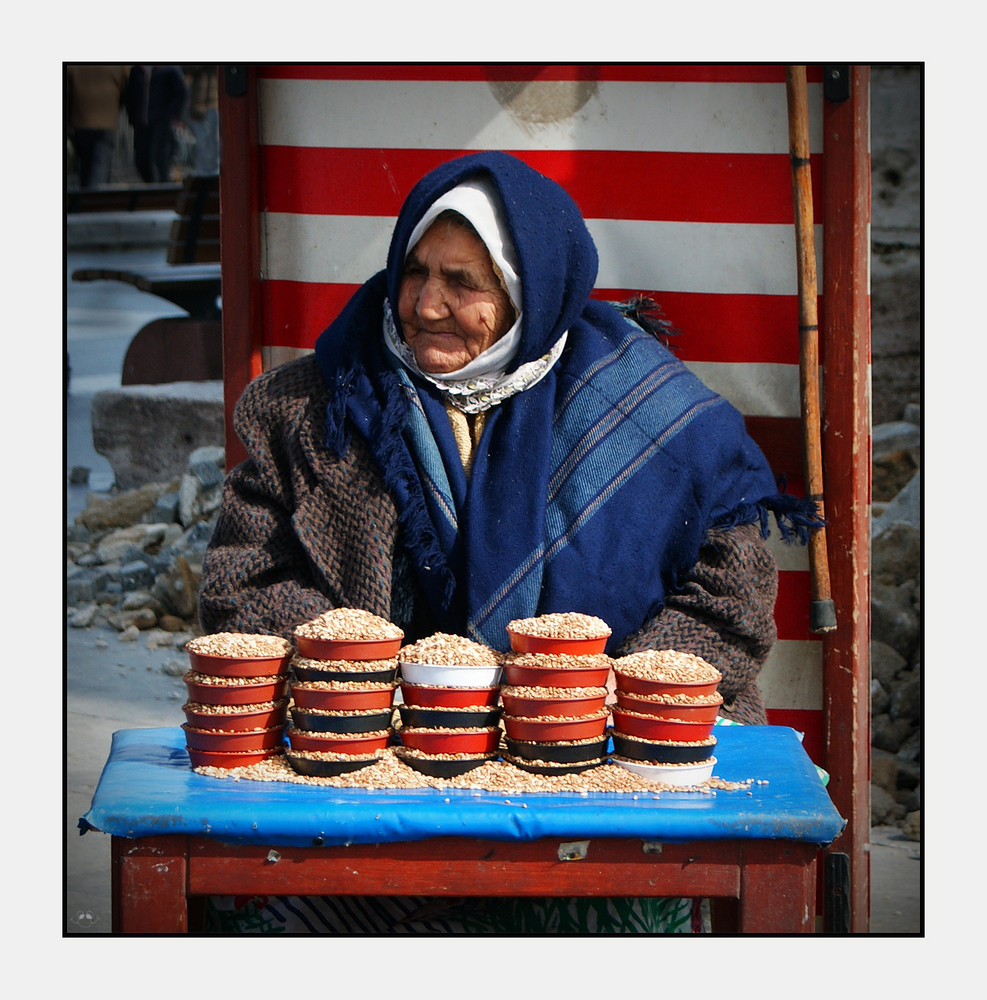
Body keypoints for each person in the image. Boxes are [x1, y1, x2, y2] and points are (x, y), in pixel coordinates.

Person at [198, 151, 821, 933]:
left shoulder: (656, 418)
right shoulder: (312, 408)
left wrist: (578, 706)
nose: (425, 304)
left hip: (599, 775)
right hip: (372, 769)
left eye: (465, 282)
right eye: (415, 271)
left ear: (530, 292)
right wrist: (392, 689)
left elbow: (727, 608)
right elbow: (239, 585)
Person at [65, 65, 129, 189]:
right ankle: (94, 201)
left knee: (84, 168)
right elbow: (125, 90)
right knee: (100, 168)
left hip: (79, 122)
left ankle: (85, 200)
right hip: (106, 122)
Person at [125, 65, 189, 182]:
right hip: (141, 121)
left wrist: (173, 115)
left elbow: (181, 93)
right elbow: (130, 95)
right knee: (141, 158)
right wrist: (132, 117)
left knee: (160, 157)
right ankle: (151, 186)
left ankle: (163, 186)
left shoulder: (169, 70)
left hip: (162, 120)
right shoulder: (137, 71)